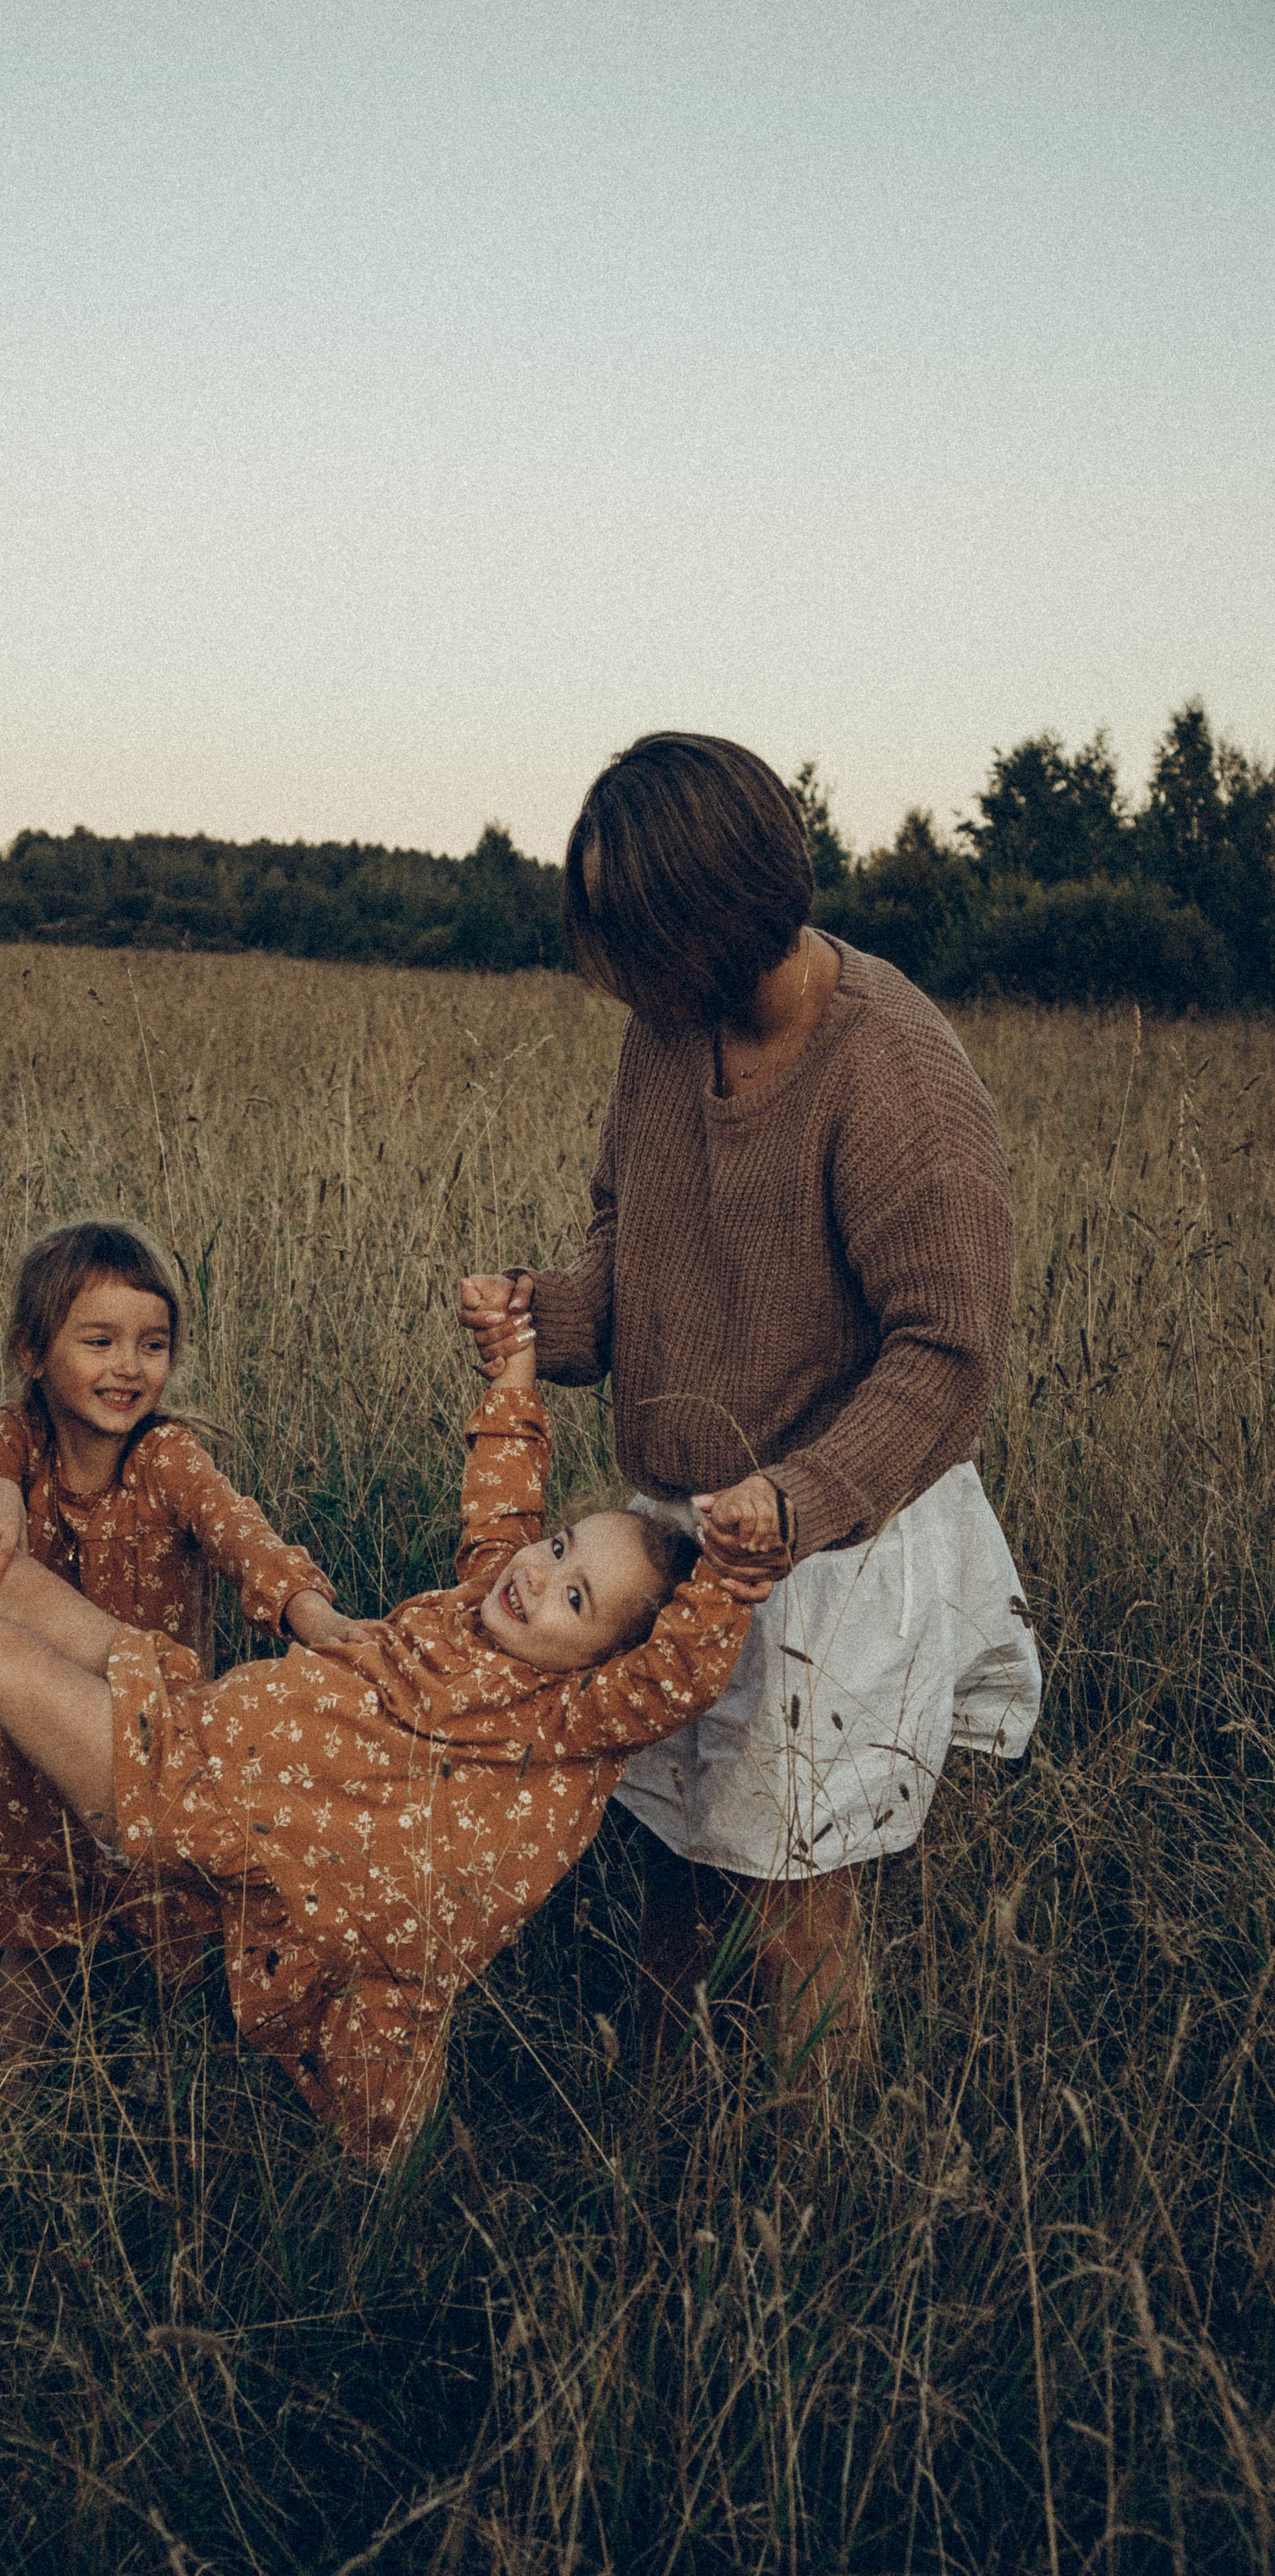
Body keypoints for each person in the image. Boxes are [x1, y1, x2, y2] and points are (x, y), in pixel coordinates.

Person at [0, 1317, 755, 2162]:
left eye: (577, 1598)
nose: (540, 1577)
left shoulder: (562, 1719)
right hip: (198, 1730)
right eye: (559, 1549)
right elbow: (503, 1500)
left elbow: (682, 1670)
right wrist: (511, 1370)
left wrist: (734, 1573)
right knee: (19, 1597)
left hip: (208, 1808)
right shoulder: (484, 1600)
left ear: (607, 1668)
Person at [459, 730, 1040, 2078]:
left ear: (718, 912)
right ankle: (661, 2140)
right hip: (675, 1538)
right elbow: (634, 1238)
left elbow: (950, 1351)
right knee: (671, 1869)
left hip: (832, 1555)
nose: (619, 968)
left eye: (636, 929)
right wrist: (545, 1316)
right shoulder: (667, 1030)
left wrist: (799, 1498)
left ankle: (823, 2184)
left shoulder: (895, 1073)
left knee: (791, 1916)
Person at [0, 1216, 366, 2065]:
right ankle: (9, 2098)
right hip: (44, 1731)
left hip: (162, 1736)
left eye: (152, 1344)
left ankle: (171, 2083)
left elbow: (243, 1537)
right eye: (99, 1342)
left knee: (174, 1923)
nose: (129, 1367)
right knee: (33, 1927)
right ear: (32, 1352)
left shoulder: (168, 1459)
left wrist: (315, 1618)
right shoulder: (19, 1445)